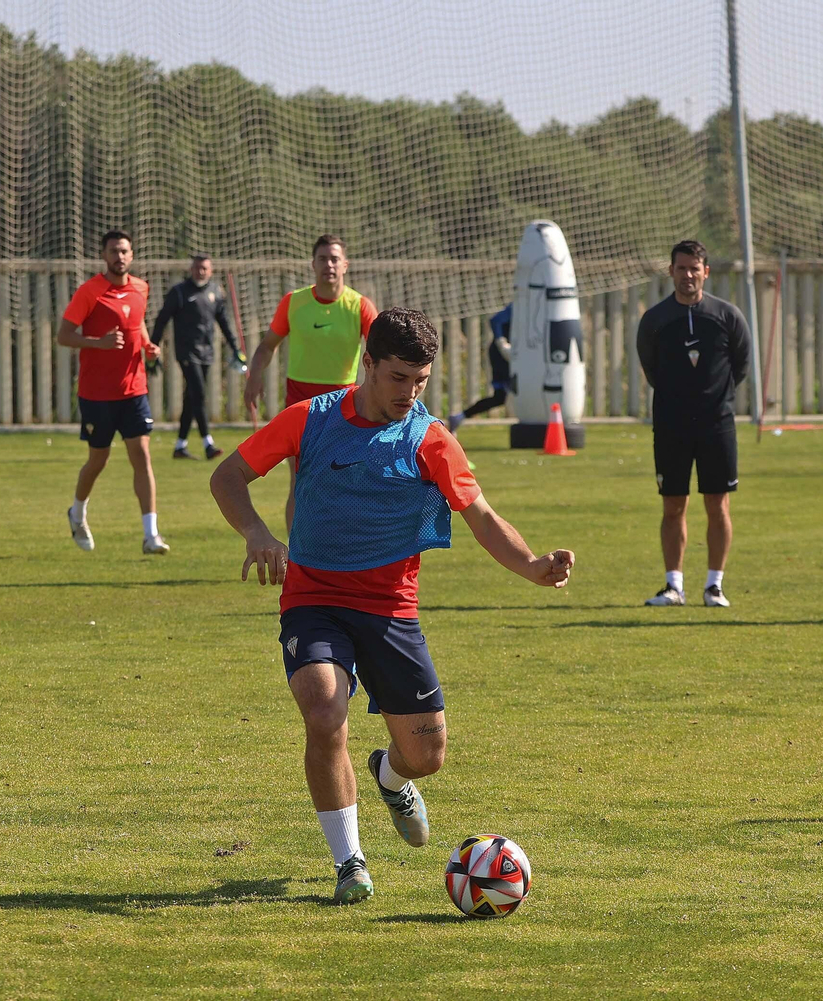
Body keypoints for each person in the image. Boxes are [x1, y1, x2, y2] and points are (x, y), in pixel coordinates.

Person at [210, 307, 575, 905]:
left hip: (391, 611)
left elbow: (482, 517)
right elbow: (227, 477)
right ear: (369, 364)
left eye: (420, 381)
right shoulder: (311, 419)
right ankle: (349, 862)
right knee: (325, 711)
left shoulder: (431, 439)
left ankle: (389, 774)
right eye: (398, 377)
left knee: (426, 757)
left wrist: (534, 566)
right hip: (314, 599)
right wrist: (256, 533)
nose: (409, 392)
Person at [635, 240, 750, 608]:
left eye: (694, 268)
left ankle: (714, 586)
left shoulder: (727, 316)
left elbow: (740, 365)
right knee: (673, 505)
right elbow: (651, 368)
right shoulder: (655, 320)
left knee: (718, 504)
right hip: (672, 426)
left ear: (706, 272)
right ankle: (674, 586)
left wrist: (715, 399)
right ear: (671, 271)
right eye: (681, 268)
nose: (688, 275)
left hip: (717, 425)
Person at [241, 235, 378, 528]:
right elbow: (267, 346)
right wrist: (254, 377)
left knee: (343, 479)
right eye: (322, 259)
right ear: (312, 264)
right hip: (301, 402)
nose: (329, 264)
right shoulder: (294, 302)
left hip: (344, 403)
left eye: (334, 259)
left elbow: (381, 350)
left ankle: (341, 548)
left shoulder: (360, 306)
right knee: (300, 480)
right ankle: (298, 552)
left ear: (345, 265)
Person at [58, 231, 168, 555]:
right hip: (97, 394)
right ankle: (77, 512)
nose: (119, 256)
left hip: (134, 390)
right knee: (98, 460)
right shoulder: (89, 292)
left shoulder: (141, 288)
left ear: (131, 254)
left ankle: (151, 535)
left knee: (142, 456)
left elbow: (137, 322)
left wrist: (147, 345)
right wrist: (98, 343)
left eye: (124, 251)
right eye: (113, 251)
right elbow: (63, 336)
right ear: (104, 256)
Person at [150, 254, 246, 460]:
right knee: (199, 393)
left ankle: (180, 446)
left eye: (204, 268)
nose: (200, 272)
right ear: (190, 269)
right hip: (187, 352)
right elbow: (161, 320)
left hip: (207, 353)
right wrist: (153, 348)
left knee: (191, 397)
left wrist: (235, 348)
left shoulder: (215, 292)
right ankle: (208, 444)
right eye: (197, 268)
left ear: (210, 271)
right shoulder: (179, 292)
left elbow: (224, 322)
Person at [447, 303, 513, 430]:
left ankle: (459, 417)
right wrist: (501, 342)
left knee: (502, 397)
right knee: (502, 395)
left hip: (517, 354)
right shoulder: (519, 306)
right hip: (503, 354)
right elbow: (495, 320)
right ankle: (459, 417)